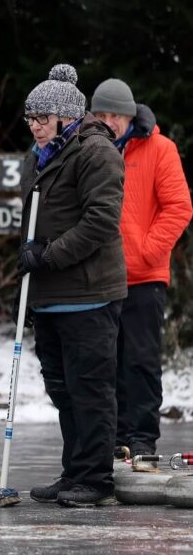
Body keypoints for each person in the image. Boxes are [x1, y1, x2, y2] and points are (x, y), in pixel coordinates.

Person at [15, 64, 127, 507]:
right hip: (50, 297)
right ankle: (74, 470)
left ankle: (96, 478)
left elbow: (100, 221)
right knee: (62, 390)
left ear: (66, 118)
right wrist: (28, 285)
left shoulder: (95, 152)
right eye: (31, 119)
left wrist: (49, 255)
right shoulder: (36, 157)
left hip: (89, 294)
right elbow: (31, 229)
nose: (36, 127)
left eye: (43, 119)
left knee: (90, 389)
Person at [90, 78, 192, 459]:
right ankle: (114, 440)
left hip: (144, 277)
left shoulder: (161, 149)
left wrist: (147, 252)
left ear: (129, 115)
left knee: (141, 361)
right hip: (99, 280)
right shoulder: (89, 149)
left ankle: (143, 439)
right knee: (105, 363)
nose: (108, 121)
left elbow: (179, 207)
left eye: (114, 114)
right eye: (100, 114)